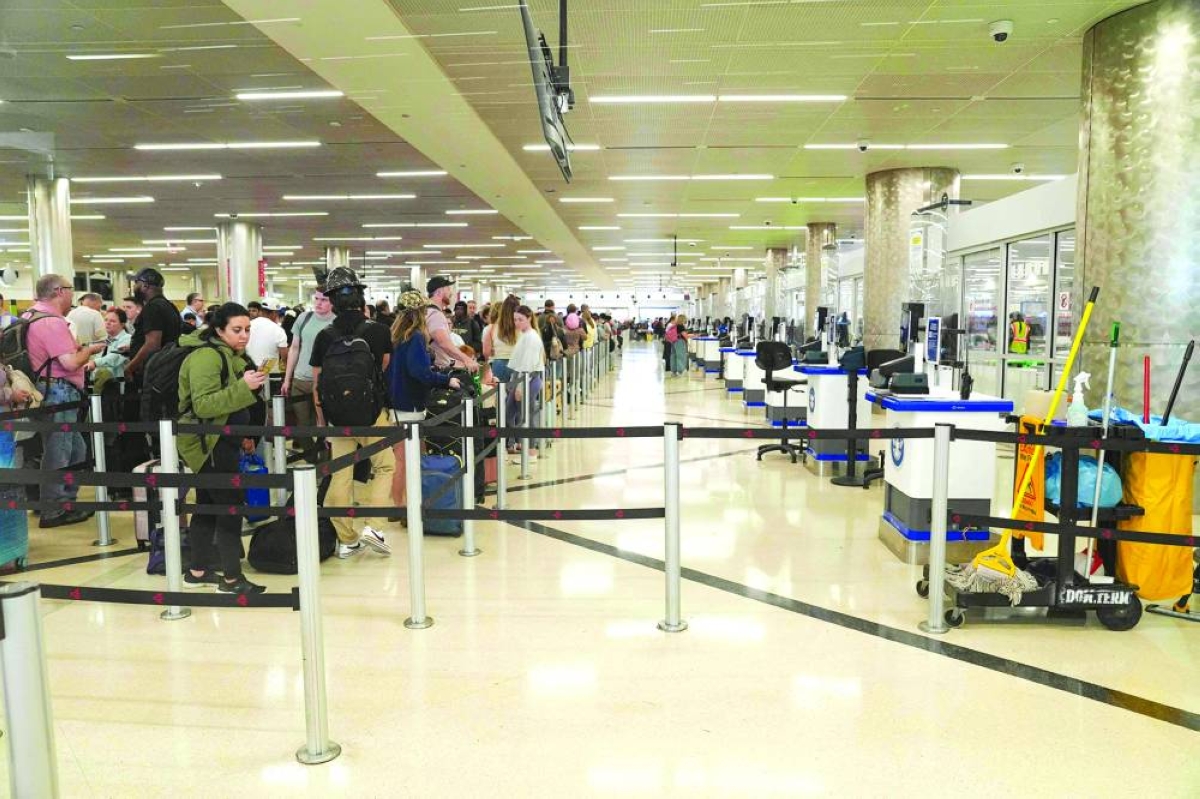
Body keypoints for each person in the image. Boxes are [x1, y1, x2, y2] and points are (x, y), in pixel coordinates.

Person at [176, 302, 268, 594]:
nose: (244, 336)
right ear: (219, 329)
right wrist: (245, 387)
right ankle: (231, 579)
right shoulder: (206, 357)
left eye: (247, 329)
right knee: (229, 507)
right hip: (208, 443)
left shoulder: (230, 355)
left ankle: (197, 570)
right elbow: (204, 406)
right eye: (237, 330)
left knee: (206, 506)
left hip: (220, 441)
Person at [310, 267, 394, 560]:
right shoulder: (379, 331)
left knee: (340, 473)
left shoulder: (323, 336)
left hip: (337, 416)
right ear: (361, 297)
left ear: (332, 301)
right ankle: (375, 526)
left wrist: (323, 422)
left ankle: (347, 540)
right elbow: (382, 368)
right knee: (384, 466)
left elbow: (318, 382)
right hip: (371, 413)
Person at [23, 275, 107, 528]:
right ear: (59, 291)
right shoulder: (51, 322)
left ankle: (62, 501)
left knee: (74, 448)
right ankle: (53, 509)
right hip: (58, 391)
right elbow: (69, 362)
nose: (72, 295)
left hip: (45, 389)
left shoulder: (30, 316)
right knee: (59, 450)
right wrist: (91, 350)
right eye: (70, 290)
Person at [386, 290, 463, 510]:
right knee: (404, 458)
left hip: (396, 401)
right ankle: (399, 506)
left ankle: (407, 501)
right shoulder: (416, 337)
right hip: (408, 404)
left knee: (410, 455)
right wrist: (445, 381)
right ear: (422, 312)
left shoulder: (395, 336)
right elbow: (420, 371)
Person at [282, 288, 334, 461]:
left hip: (324, 382)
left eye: (324, 300)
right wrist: (287, 379)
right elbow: (294, 349)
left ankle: (326, 465)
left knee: (323, 426)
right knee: (302, 427)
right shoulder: (304, 318)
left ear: (333, 302)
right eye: (316, 298)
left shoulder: (337, 322)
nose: (318, 303)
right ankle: (313, 459)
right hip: (300, 380)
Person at [124, 268, 181, 383]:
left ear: (145, 286)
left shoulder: (152, 307)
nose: (134, 287)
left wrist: (130, 368)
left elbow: (152, 344)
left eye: (136, 283)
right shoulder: (169, 306)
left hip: (154, 373)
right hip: (168, 369)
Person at [507, 304, 545, 463]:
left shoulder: (531, 337)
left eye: (520, 319)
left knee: (525, 417)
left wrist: (520, 387)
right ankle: (525, 448)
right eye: (515, 319)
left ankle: (531, 452)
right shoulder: (527, 335)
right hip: (523, 380)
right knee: (513, 415)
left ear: (529, 318)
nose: (517, 323)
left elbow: (528, 366)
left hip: (527, 380)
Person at [425, 276, 479, 373]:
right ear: (439, 292)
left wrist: (454, 362)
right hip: (436, 370)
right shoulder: (435, 315)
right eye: (448, 289)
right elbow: (444, 344)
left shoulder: (428, 311)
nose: (451, 293)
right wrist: (467, 359)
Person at [246, 301, 288, 372]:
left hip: (248, 370)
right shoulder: (278, 330)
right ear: (274, 313)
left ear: (261, 311)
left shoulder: (248, 325)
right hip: (270, 373)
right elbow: (284, 356)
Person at [90, 308, 133, 379]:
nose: (108, 323)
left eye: (112, 321)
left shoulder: (127, 338)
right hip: (98, 383)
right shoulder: (105, 340)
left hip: (117, 384)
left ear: (122, 324)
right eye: (106, 320)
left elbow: (114, 358)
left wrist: (95, 363)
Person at [485, 295, 519, 383]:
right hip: (518, 364)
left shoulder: (491, 328)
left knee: (500, 395)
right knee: (519, 395)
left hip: (499, 364)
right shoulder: (522, 327)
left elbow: (486, 352)